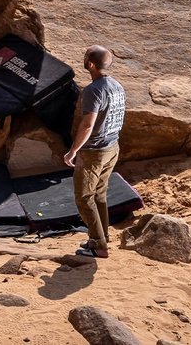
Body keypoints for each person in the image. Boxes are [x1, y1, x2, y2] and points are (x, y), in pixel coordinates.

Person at [62, 45, 127, 258]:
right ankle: (101, 236)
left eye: (85, 56)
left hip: (94, 152)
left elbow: (87, 125)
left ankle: (99, 246)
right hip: (112, 147)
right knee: (99, 194)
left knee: (83, 197)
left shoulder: (93, 90)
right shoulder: (117, 85)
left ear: (90, 64)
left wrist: (73, 150)